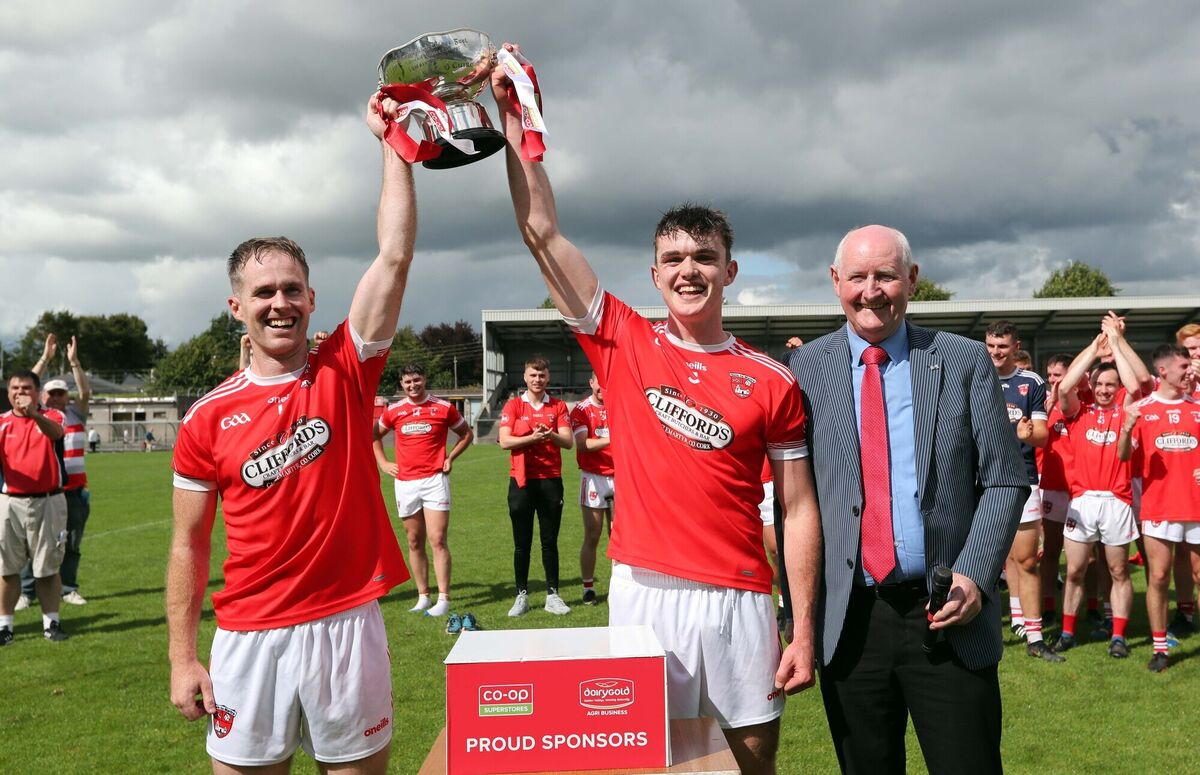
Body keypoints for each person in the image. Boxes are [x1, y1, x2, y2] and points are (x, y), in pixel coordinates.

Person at [492, 45, 822, 775]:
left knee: (752, 763)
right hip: (643, 592)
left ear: (729, 270)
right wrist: (515, 122)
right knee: (647, 765)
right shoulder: (623, 340)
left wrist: (800, 624)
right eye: (673, 259)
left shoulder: (771, 379)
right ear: (654, 273)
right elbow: (541, 232)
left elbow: (797, 510)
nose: (688, 270)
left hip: (739, 598)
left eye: (703, 256)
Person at [165, 94, 414, 772]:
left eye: (293, 289)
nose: (281, 303)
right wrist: (183, 656)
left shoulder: (348, 369)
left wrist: (391, 142)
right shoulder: (207, 417)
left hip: (346, 626)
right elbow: (189, 542)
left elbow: (392, 256)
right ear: (236, 306)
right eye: (265, 292)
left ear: (311, 298)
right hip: (249, 637)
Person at [788, 225, 1028, 774]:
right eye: (857, 277)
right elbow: (793, 503)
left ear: (912, 280)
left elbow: (1004, 479)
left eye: (886, 275)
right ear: (835, 282)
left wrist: (973, 573)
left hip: (948, 611)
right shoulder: (804, 371)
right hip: (850, 621)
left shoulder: (962, 360)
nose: (871, 290)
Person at [1052, 322, 1146, 658]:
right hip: (1083, 501)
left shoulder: (1127, 410)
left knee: (1119, 570)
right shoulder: (1080, 411)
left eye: (1111, 384)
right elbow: (1064, 387)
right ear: (1091, 385)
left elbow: (1136, 384)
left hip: (1117, 501)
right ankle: (1066, 631)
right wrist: (1095, 347)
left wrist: (1117, 344)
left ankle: (1118, 636)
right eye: (1100, 384)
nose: (1105, 389)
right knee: (1076, 570)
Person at [1118, 344, 1200, 673]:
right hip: (1159, 507)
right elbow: (1124, 456)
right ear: (1163, 371)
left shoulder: (1198, 407)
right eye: (1183, 366)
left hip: (1196, 505)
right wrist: (1126, 425)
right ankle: (1160, 647)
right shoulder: (1143, 409)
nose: (1189, 371)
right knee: (1159, 576)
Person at [373, 362, 472, 619]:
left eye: (416, 380)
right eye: (407, 382)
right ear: (401, 385)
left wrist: (450, 458)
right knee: (414, 541)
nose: (412, 385)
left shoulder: (443, 407)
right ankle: (423, 596)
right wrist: (383, 463)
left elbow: (466, 434)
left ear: (424, 379)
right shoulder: (394, 411)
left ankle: (443, 598)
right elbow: (373, 435)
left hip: (434, 480)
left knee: (437, 539)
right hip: (405, 483)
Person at [986, 321, 1058, 660]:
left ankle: (1034, 636)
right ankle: (981, 630)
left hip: (1022, 479)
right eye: (990, 346)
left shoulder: (1031, 382)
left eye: (1002, 346)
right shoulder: (975, 374)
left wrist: (1029, 435)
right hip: (981, 482)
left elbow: (1044, 434)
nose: (996, 352)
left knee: (1026, 559)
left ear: (1016, 347)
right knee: (984, 560)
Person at [498, 356, 573, 616]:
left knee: (549, 541)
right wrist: (533, 437)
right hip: (521, 482)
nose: (537, 380)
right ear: (525, 377)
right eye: (533, 375)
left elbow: (568, 441)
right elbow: (504, 441)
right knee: (522, 543)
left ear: (548, 377)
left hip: (551, 480)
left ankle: (553, 594)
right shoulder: (514, 405)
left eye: (541, 375)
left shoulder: (559, 406)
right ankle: (522, 595)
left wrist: (548, 434)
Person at [0, 371, 70, 644]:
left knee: (48, 567)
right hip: (10, 502)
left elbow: (55, 433)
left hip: (48, 501)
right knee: (6, 568)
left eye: (26, 388)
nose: (20, 393)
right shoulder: (2, 423)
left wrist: (33, 415)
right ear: (8, 393)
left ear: (37, 392)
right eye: (15, 388)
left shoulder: (52, 416)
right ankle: (5, 626)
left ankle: (51, 623)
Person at [24, 335, 93, 607]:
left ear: (66, 396)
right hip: (44, 490)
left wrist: (74, 363)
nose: (55, 397)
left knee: (72, 544)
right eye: (50, 393)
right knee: (34, 544)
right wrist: (45, 359)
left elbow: (85, 392)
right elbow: (25, 384)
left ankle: (68, 588)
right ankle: (27, 592)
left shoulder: (76, 414)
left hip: (74, 492)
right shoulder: (36, 416)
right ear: (42, 396)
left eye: (60, 393)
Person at [1037, 352, 1075, 629]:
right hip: (1051, 485)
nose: (1052, 381)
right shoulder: (1044, 405)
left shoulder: (1077, 404)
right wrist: (1047, 409)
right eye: (1049, 375)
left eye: (1058, 375)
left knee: (1087, 557)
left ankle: (1095, 608)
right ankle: (1048, 606)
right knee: (1050, 551)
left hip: (1078, 488)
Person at [570, 372, 613, 606]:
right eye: (599, 383)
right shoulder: (581, 410)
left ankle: (619, 587)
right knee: (593, 535)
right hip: (594, 478)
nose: (602, 388)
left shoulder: (620, 404)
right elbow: (582, 444)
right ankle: (588, 587)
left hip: (621, 476)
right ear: (591, 383)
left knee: (618, 537)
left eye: (607, 383)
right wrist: (614, 439)